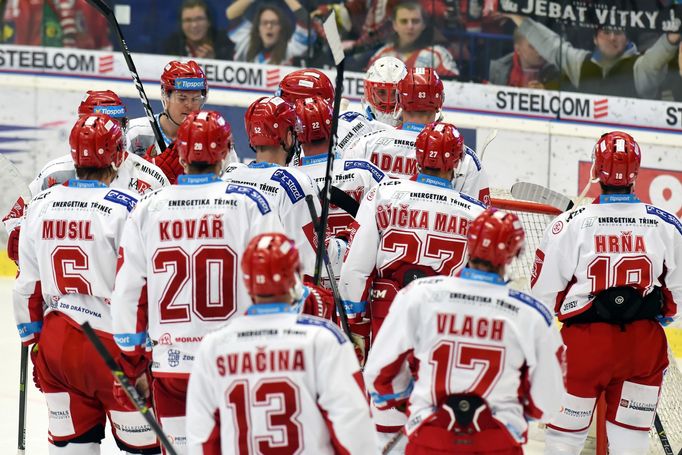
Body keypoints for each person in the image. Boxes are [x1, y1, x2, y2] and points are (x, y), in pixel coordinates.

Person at [111, 110, 283, 455]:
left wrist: (130, 365)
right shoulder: (251, 203)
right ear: (225, 152)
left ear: (181, 153)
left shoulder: (147, 208)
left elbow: (128, 294)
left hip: (172, 366)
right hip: (235, 363)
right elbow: (277, 284)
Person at [13, 113, 160, 454]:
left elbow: (27, 288)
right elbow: (140, 290)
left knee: (72, 448)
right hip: (114, 348)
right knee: (145, 449)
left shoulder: (40, 205)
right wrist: (140, 359)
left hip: (57, 345)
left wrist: (35, 346)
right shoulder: (128, 208)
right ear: (117, 155)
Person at [364, 208, 566, 454]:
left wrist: (411, 400)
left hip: (430, 437)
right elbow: (548, 403)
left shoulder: (419, 294)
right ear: (514, 253)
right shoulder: (533, 315)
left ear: (468, 243)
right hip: (497, 442)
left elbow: (377, 375)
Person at [531, 131, 682, 455]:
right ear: (636, 172)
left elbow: (542, 298)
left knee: (563, 442)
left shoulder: (569, 224)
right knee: (632, 443)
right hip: (642, 348)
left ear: (596, 170)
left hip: (584, 347)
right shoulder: (667, 224)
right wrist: (656, 315)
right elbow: (678, 297)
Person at [339, 122, 487, 449]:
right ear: (458, 162)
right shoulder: (476, 213)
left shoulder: (384, 193)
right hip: (444, 332)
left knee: (383, 422)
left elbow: (353, 271)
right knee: (432, 426)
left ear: (417, 158)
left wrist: (357, 325)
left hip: (386, 320)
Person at [185, 232, 377, 454]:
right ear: (295, 276)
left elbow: (202, 439)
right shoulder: (324, 339)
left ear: (246, 281)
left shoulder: (213, 346)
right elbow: (354, 430)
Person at [2, 90, 168, 265]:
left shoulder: (149, 176)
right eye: (100, 124)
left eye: (116, 124)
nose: (110, 133)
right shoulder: (55, 173)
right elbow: (16, 216)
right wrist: (19, 233)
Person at [345, 67, 491, 204]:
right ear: (440, 100)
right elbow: (478, 215)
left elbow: (343, 202)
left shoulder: (365, 143)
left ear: (400, 99)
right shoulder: (465, 158)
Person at [221, 96, 321, 278]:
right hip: (271, 294)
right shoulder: (294, 183)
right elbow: (308, 264)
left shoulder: (228, 175)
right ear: (289, 137)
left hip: (228, 290)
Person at [505, 14, 681, 99]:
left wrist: (671, 37)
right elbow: (551, 45)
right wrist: (514, 14)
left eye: (618, 32)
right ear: (595, 39)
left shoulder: (639, 66)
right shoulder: (581, 63)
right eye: (606, 32)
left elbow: (657, 58)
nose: (612, 37)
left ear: (626, 37)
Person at [126, 60, 207, 157]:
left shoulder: (210, 138)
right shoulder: (133, 133)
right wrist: (147, 169)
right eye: (182, 98)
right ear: (165, 96)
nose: (189, 105)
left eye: (195, 99)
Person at [366, 1, 459, 79]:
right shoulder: (383, 54)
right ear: (394, 25)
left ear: (424, 25)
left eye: (415, 21)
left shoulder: (438, 55)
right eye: (404, 21)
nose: (410, 26)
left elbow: (453, 87)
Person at [227, 0, 311, 65]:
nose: (269, 26)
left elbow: (306, 22)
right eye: (264, 23)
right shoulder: (246, 43)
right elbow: (231, 15)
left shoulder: (290, 49)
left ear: (281, 28)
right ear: (258, 28)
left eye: (274, 23)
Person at [4, 0, 111, 49]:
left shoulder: (91, 6)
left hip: (77, 74)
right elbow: (17, 47)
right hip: (33, 71)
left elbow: (103, 49)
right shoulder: (24, 3)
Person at [489, 28, 561, 89]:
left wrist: (547, 95)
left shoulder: (558, 71)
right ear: (518, 49)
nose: (539, 50)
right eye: (532, 46)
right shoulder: (497, 69)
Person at [162, 0, 234, 60]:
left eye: (199, 19)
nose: (194, 25)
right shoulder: (172, 45)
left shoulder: (224, 44)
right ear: (181, 25)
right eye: (188, 20)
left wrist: (213, 61)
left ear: (209, 21)